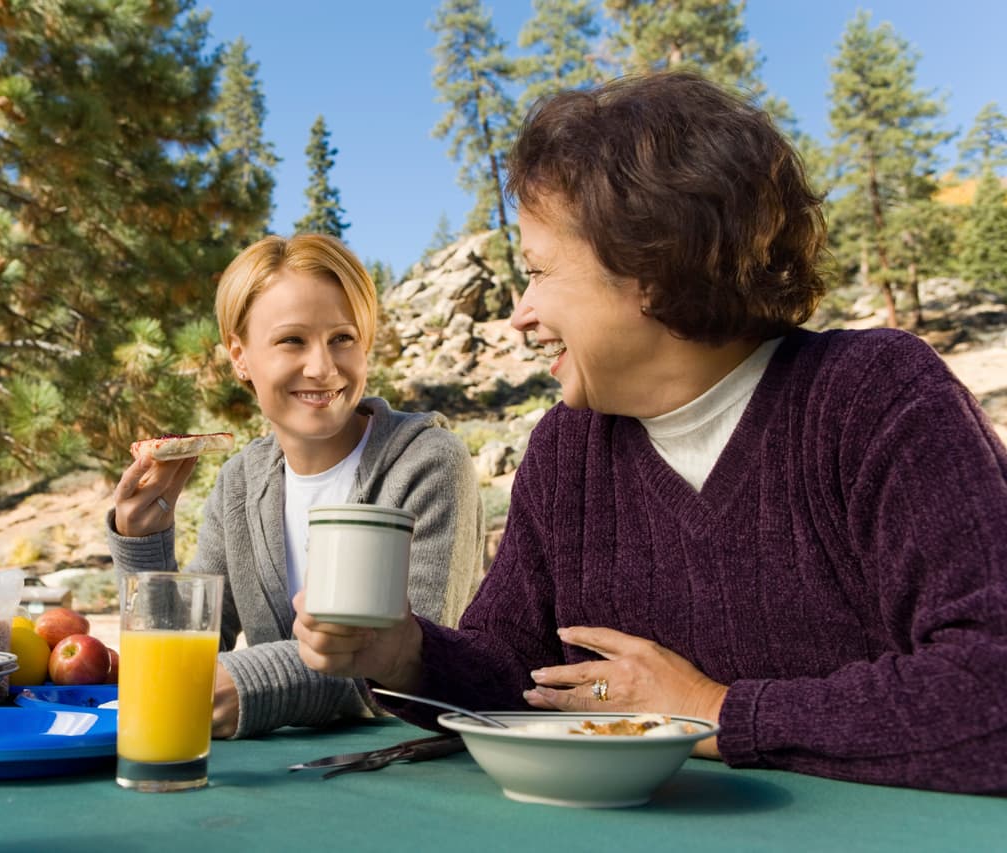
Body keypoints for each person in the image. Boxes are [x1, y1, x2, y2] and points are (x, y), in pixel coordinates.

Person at [293, 71, 1007, 794]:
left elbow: (989, 685)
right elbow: (520, 679)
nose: (520, 314)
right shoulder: (567, 449)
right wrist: (404, 654)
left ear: (653, 270)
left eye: (539, 271)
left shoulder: (873, 397)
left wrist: (710, 710)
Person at [109, 232, 485, 739]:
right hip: (282, 771)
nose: (322, 368)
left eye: (343, 338)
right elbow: (185, 652)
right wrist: (142, 543)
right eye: (292, 340)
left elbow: (415, 662)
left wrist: (256, 684)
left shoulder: (427, 462)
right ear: (239, 356)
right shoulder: (240, 483)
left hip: (412, 761)